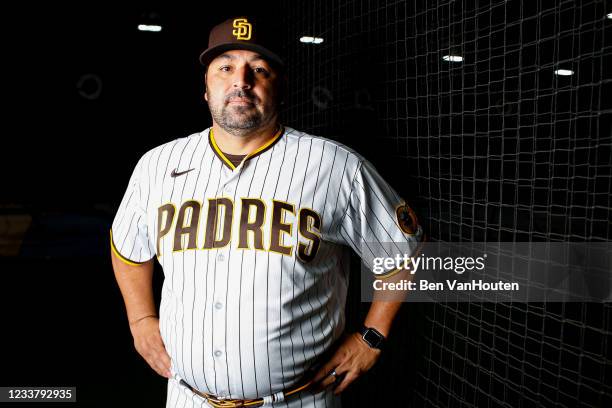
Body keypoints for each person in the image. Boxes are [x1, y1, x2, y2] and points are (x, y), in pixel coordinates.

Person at [110, 16, 423, 408]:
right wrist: (140, 321)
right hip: (189, 397)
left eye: (259, 69)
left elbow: (404, 252)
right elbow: (126, 247)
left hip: (299, 400)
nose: (241, 80)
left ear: (281, 85)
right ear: (205, 88)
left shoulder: (335, 166)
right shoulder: (156, 165)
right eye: (225, 68)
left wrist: (372, 335)